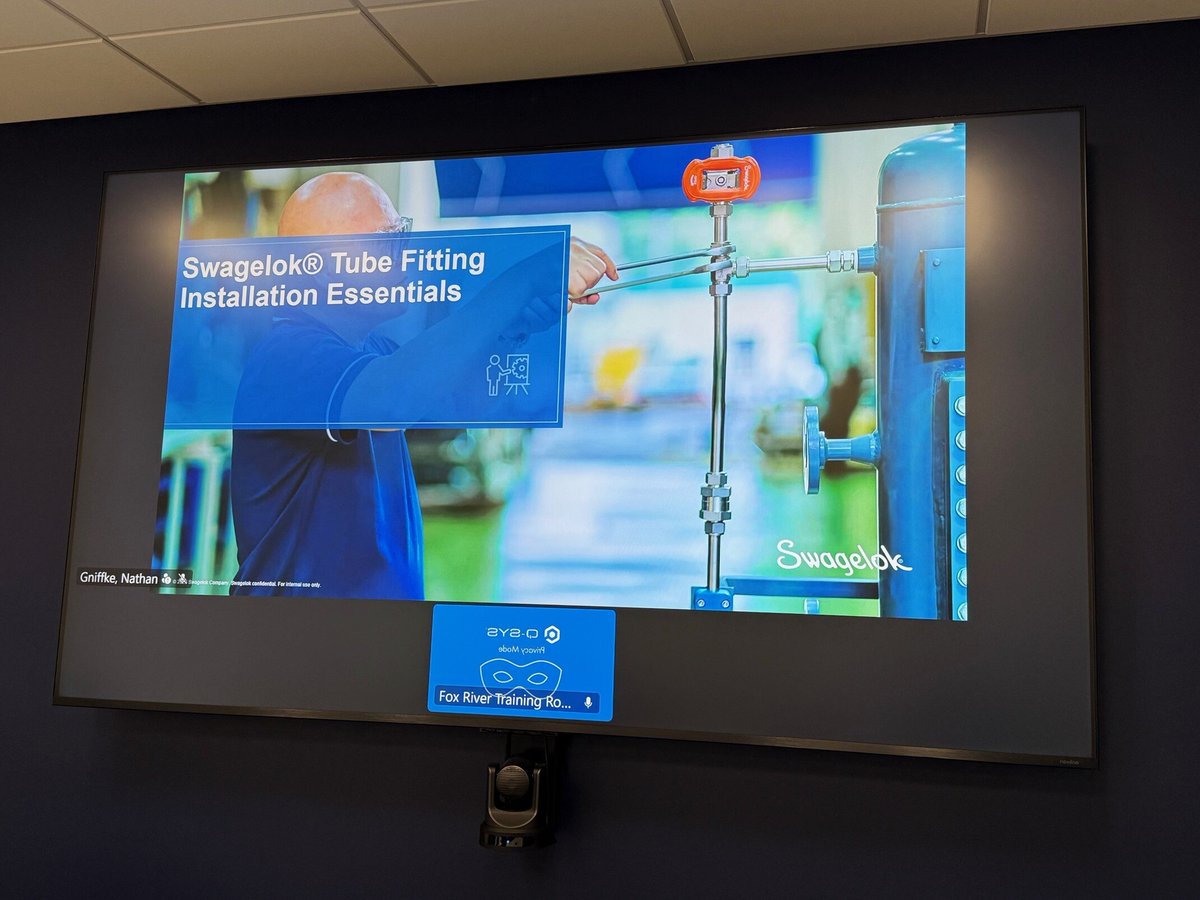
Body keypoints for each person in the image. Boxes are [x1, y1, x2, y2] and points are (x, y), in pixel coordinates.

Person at [229, 172, 616, 598]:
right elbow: (392, 400)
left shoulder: (368, 347)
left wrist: (512, 324)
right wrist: (520, 281)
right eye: (386, 242)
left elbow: (447, 405)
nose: (405, 256)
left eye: (401, 236)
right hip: (301, 645)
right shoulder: (286, 356)